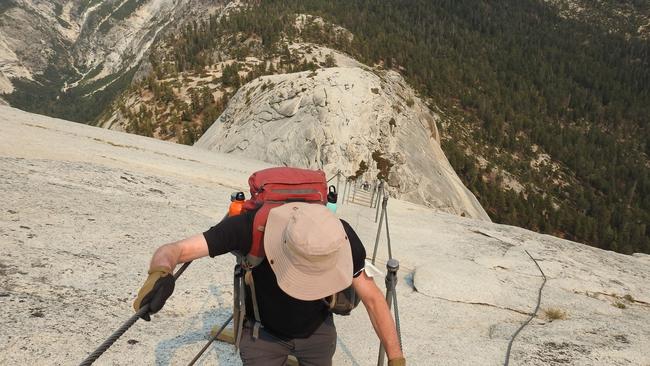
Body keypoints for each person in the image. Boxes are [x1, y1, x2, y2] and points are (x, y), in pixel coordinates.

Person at [133, 202, 405, 366]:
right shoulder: (249, 228)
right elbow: (176, 250)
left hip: (318, 331)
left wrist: (396, 359)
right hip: (263, 334)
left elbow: (373, 299)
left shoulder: (340, 239)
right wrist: (161, 273)